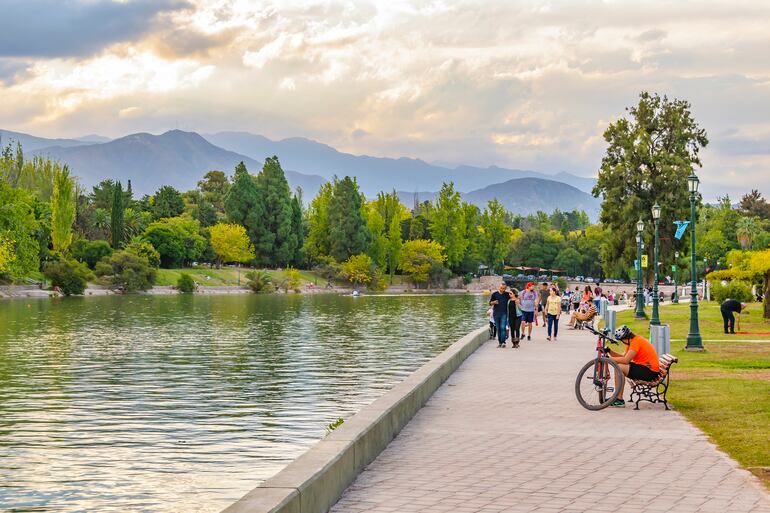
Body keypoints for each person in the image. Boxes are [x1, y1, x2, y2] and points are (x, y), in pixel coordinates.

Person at [606, 325, 660, 407]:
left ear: (625, 338)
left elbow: (626, 360)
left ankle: (619, 399)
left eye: (621, 340)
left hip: (650, 372)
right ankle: (617, 397)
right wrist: (610, 351)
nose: (622, 342)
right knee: (619, 366)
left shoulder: (636, 342)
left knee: (619, 367)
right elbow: (623, 356)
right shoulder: (634, 341)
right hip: (646, 369)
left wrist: (609, 359)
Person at [489, 282, 509, 347]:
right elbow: (490, 303)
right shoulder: (494, 294)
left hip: (504, 313)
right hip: (496, 314)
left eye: (503, 288)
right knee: (498, 328)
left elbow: (515, 295)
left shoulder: (507, 294)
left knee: (503, 328)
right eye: (501, 288)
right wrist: (494, 302)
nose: (502, 289)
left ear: (505, 288)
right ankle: (500, 342)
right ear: (499, 287)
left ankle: (503, 342)